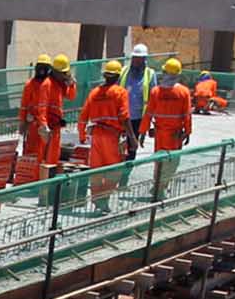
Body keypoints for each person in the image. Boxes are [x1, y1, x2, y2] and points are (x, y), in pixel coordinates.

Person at [78, 61, 133, 205]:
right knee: (114, 170)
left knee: (96, 168)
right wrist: (132, 138)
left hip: (96, 136)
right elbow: (125, 117)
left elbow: (83, 116)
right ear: (118, 76)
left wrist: (82, 136)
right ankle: (104, 198)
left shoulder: (95, 92)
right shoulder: (120, 92)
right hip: (113, 136)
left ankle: (97, 198)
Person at [142, 59, 196, 195]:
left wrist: (142, 131)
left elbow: (148, 113)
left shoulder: (156, 91)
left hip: (160, 134)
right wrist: (188, 132)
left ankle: (157, 186)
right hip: (175, 135)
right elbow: (187, 114)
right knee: (172, 162)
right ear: (178, 74)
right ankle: (161, 188)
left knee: (159, 161)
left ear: (165, 72)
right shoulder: (183, 92)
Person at [19, 53, 67, 175]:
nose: (41, 70)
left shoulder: (52, 85)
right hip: (35, 124)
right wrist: (23, 121)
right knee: (33, 152)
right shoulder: (30, 85)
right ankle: (31, 177)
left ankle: (43, 177)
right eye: (40, 67)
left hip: (48, 124)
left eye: (44, 67)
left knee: (48, 153)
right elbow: (24, 105)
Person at [120, 42, 156, 141]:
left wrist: (151, 123)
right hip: (122, 117)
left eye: (139, 58)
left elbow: (153, 99)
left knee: (131, 148)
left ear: (144, 59)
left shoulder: (150, 74)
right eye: (135, 57)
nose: (136, 60)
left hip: (138, 118)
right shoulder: (123, 72)